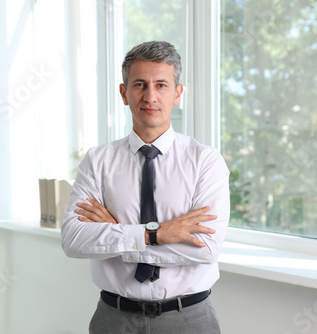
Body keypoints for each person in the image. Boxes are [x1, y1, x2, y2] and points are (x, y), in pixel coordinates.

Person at [61, 41, 230, 334]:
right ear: (124, 93)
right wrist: (158, 233)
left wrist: (120, 237)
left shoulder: (206, 161)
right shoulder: (98, 161)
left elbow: (206, 249)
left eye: (161, 85)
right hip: (114, 318)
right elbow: (73, 240)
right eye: (139, 84)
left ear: (177, 93)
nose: (150, 96)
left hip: (189, 319)